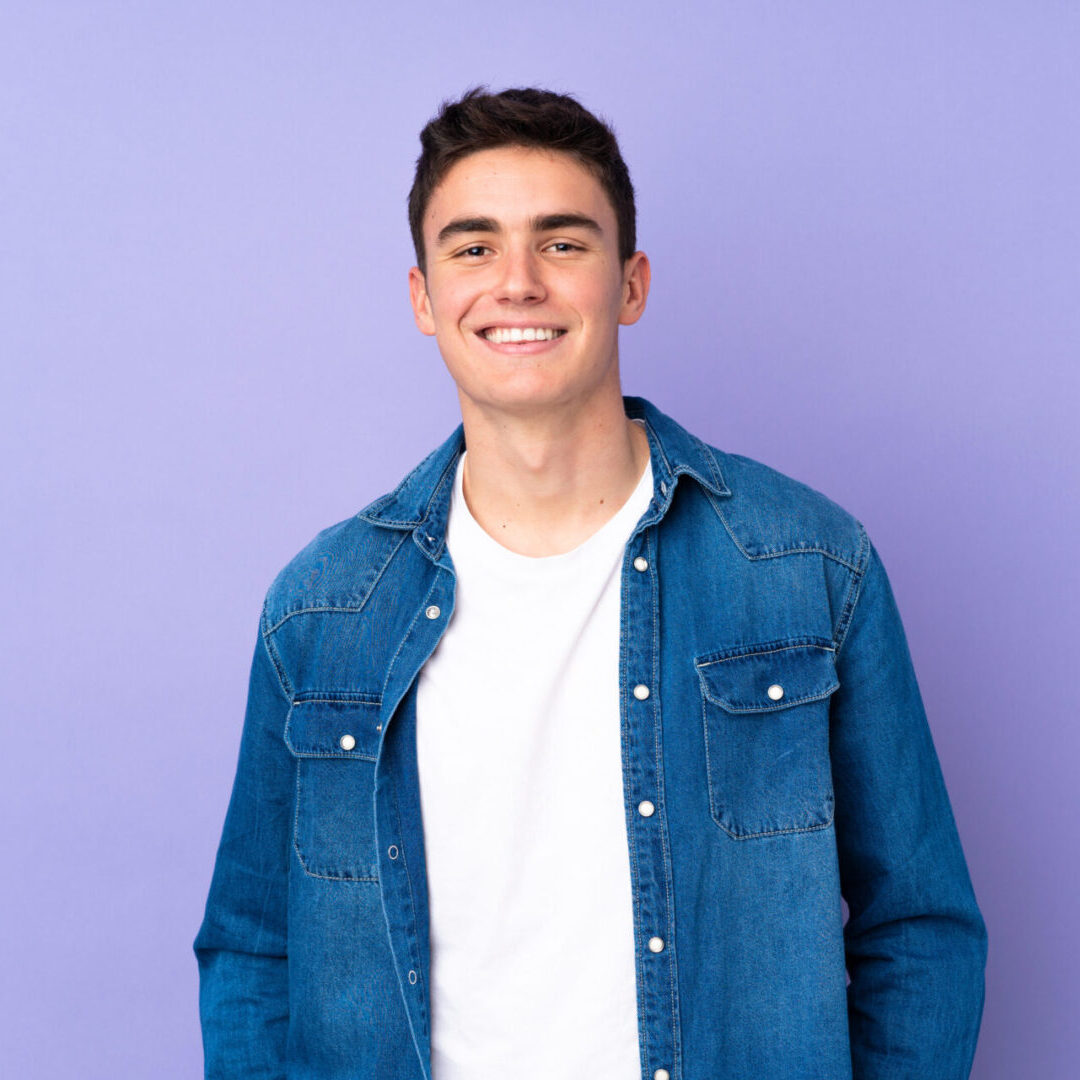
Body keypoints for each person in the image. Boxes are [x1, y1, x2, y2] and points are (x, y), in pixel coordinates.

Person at [193, 87, 987, 1079]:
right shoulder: (323, 609)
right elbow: (254, 948)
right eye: (473, 247)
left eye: (562, 243)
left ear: (630, 283)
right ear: (423, 297)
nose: (516, 281)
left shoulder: (807, 566)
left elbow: (919, 928)